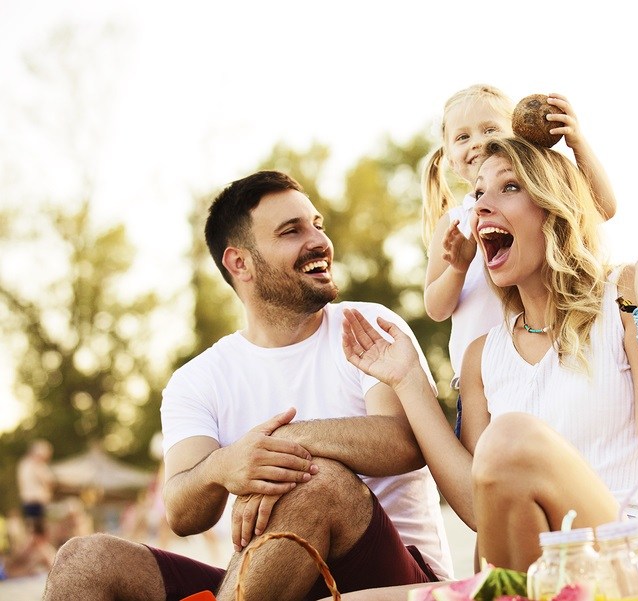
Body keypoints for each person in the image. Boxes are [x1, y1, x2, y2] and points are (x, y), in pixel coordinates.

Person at [43, 170, 452, 601]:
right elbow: (182, 511)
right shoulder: (196, 380)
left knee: (317, 483)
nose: (318, 241)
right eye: (291, 231)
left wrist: (283, 443)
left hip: (393, 578)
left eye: (317, 225)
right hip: (267, 580)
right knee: (84, 561)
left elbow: (404, 441)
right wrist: (226, 466)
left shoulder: (368, 326)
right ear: (240, 263)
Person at [343, 137, 638, 601]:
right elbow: (482, 510)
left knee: (510, 438)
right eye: (478, 193)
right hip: (541, 572)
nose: (481, 205)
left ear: (552, 208)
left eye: (509, 187)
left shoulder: (625, 296)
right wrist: (408, 379)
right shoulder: (482, 355)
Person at [421, 84, 618, 436]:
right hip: (483, 381)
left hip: (548, 360)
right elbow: (436, 308)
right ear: (450, 158)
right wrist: (458, 267)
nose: (477, 142)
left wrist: (577, 143)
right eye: (462, 137)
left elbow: (602, 208)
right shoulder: (452, 223)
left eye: (490, 130)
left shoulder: (533, 203)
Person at [15, 439, 57, 573]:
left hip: (31, 504)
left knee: (36, 537)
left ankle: (27, 564)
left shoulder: (24, 464)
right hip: (35, 504)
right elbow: (50, 481)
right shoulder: (35, 465)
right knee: (38, 537)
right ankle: (52, 562)